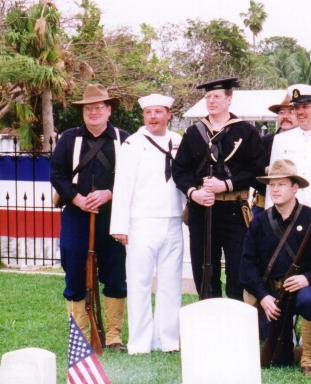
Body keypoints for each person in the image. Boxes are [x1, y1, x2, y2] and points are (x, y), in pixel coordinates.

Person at [239, 159, 311, 380]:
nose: (275, 190)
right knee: (279, 359)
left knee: (310, 301)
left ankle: (310, 358)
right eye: (272, 185)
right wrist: (263, 296)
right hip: (271, 295)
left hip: (303, 288)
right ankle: (290, 351)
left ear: (295, 187)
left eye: (282, 184)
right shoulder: (259, 222)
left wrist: (308, 277)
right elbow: (247, 265)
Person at [50, 84, 129, 351]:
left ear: (109, 110)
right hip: (76, 212)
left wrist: (110, 193)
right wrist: (77, 198)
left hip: (112, 214)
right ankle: (81, 334)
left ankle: (115, 335)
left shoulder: (123, 139)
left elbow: (132, 178)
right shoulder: (69, 138)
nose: (93, 112)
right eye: (88, 108)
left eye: (99, 107)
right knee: (74, 267)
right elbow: (57, 175)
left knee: (116, 271)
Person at [172, 77, 265, 300]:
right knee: (204, 273)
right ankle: (209, 327)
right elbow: (180, 171)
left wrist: (226, 184)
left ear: (229, 99)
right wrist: (194, 193)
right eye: (208, 97)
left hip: (234, 210)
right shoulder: (194, 133)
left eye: (217, 97)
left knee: (237, 271)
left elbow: (258, 170)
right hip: (201, 210)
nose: (211, 101)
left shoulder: (245, 131)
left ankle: (235, 327)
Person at [110, 93, 185, 354]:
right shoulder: (133, 144)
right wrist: (120, 225)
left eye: (158, 112)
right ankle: (140, 342)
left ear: (168, 115)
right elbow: (123, 185)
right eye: (148, 112)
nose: (153, 117)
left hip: (173, 221)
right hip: (141, 222)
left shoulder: (178, 142)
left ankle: (168, 340)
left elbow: (185, 179)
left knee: (171, 283)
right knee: (139, 282)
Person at [267, 84, 311, 209]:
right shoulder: (281, 140)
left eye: (305, 106)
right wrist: (270, 215)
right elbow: (274, 180)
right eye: (296, 107)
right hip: (288, 214)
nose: (300, 112)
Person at [252, 96, 298, 215]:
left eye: (291, 112)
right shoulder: (265, 141)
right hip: (265, 206)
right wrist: (266, 170)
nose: (285, 117)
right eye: (281, 112)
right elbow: (253, 170)